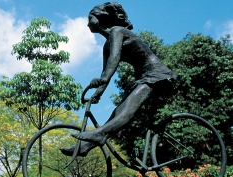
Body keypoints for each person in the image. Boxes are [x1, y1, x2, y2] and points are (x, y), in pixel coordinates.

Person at [61, 2, 177, 156]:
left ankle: (99, 134)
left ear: (102, 18)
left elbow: (114, 60)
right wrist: (98, 93)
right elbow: (106, 72)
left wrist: (102, 79)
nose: (88, 23)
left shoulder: (118, 31)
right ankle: (85, 146)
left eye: (91, 18)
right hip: (144, 78)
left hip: (157, 75)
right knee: (117, 112)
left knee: (127, 108)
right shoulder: (106, 46)